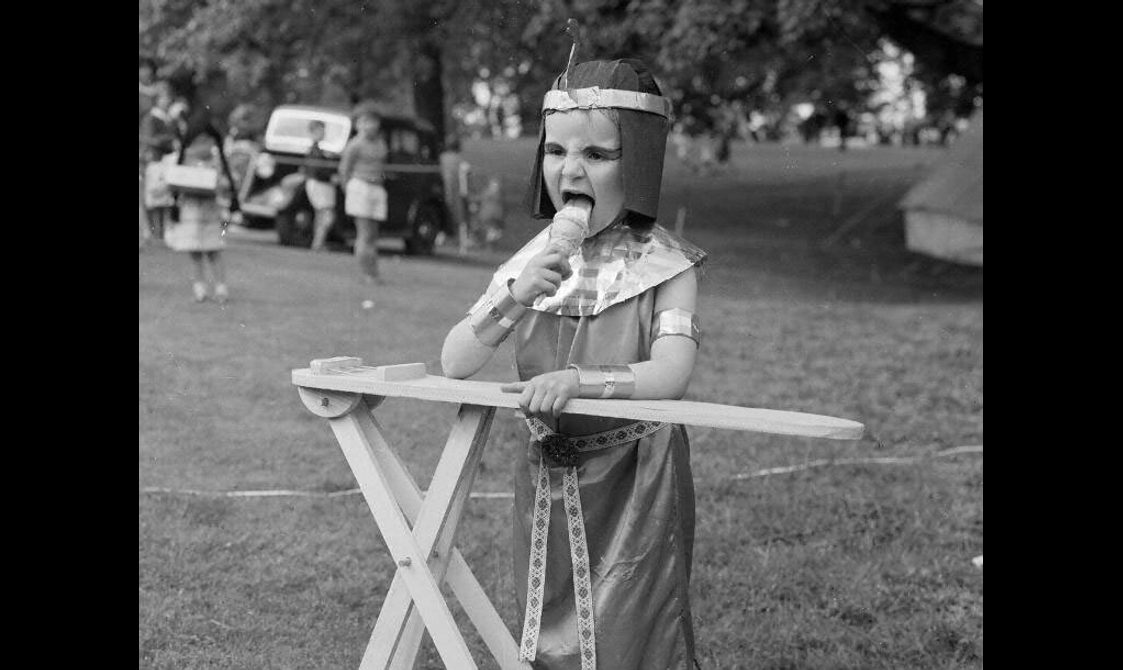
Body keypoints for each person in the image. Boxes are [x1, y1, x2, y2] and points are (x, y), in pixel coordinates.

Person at [440, 58, 706, 669]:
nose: (571, 170)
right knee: (546, 629)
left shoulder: (671, 266)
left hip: (635, 473)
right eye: (556, 151)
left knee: (629, 636)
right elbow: (456, 361)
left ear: (634, 162)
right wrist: (514, 295)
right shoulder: (530, 261)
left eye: (598, 154)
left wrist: (578, 382)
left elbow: (671, 374)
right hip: (546, 472)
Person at [164, 106, 242, 303]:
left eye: (206, 141)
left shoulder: (216, 162)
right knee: (195, 252)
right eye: (197, 141)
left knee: (213, 249)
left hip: (210, 211)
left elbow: (226, 183)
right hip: (190, 211)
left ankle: (220, 287)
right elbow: (174, 183)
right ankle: (199, 287)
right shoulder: (184, 161)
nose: (202, 146)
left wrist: (218, 184)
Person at [338, 104, 389, 282]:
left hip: (377, 188)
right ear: (358, 124)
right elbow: (344, 170)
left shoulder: (381, 143)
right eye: (366, 121)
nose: (371, 125)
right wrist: (350, 190)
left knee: (373, 235)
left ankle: (373, 271)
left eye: (374, 121)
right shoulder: (354, 145)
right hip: (361, 186)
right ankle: (367, 273)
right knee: (365, 234)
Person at [139, 82, 179, 241]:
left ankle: (161, 231)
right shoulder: (152, 117)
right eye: (164, 98)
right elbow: (149, 139)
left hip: (166, 160)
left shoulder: (169, 118)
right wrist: (168, 140)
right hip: (155, 159)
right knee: (154, 197)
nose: (167, 101)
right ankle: (154, 231)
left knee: (164, 198)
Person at [304, 120, 338, 251]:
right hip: (319, 185)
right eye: (320, 130)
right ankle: (318, 242)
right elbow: (317, 170)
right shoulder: (314, 151)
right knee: (326, 215)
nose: (323, 133)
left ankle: (318, 242)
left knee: (321, 215)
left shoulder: (319, 150)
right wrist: (331, 176)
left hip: (322, 184)